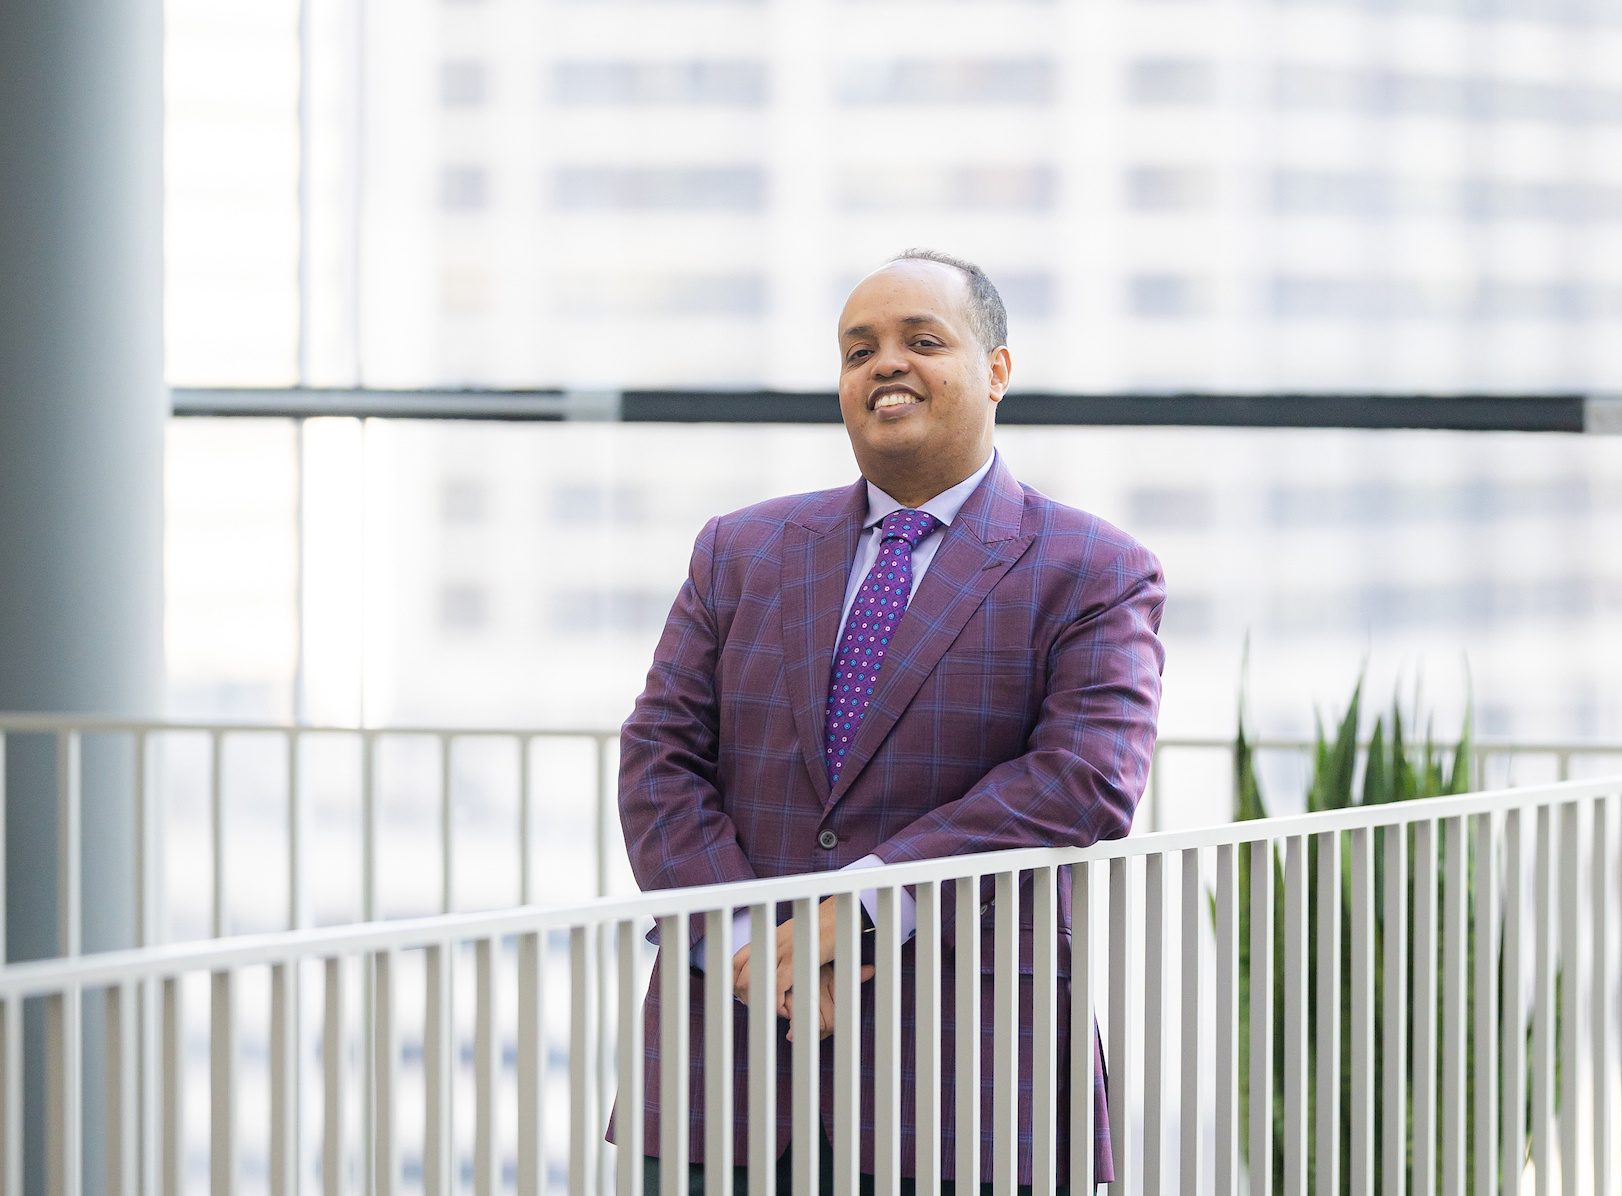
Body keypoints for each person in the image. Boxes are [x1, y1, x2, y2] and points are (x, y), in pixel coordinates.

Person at [614, 249, 1165, 1192]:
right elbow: (658, 758)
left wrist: (864, 906)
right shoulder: (739, 550)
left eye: (923, 340)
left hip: (966, 1075)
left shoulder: (1094, 568)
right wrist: (752, 945)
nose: (886, 365)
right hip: (726, 1064)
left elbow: (1083, 780)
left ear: (996, 370)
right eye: (858, 349)